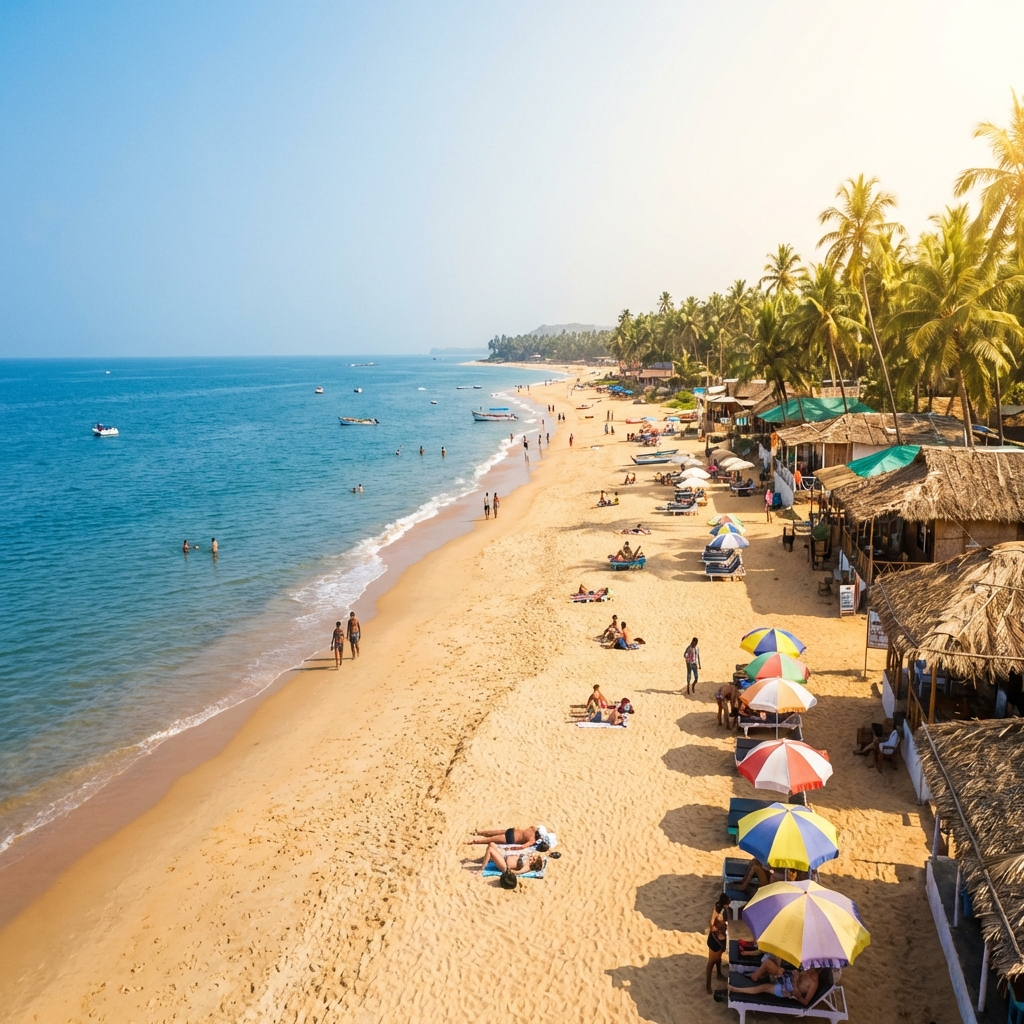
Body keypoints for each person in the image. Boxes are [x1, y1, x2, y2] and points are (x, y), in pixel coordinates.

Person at [729, 960, 819, 1006]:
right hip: (788, 978)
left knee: (763, 987)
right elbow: (798, 976)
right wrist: (795, 973)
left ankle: (735, 989)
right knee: (768, 963)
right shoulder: (808, 969)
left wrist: (795, 984)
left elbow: (805, 1002)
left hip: (788, 990)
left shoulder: (814, 982)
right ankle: (749, 974)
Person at [706, 893, 730, 993]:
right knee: (711, 962)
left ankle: (719, 974)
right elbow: (711, 924)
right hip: (715, 940)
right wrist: (717, 931)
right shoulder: (717, 910)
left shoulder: (725, 910)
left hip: (722, 939)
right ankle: (708, 985)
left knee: (719, 959)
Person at [476, 843, 544, 878]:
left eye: (535, 857)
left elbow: (519, 872)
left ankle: (482, 869)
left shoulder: (528, 867)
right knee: (491, 844)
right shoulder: (528, 857)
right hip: (504, 856)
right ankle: (481, 861)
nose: (533, 855)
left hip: (505, 865)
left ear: (534, 861)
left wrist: (509, 871)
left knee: (490, 850)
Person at [467, 826, 547, 849]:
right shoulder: (532, 840)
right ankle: (474, 841)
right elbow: (523, 846)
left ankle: (479, 832)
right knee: (490, 840)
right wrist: (512, 848)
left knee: (494, 832)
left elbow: (533, 826)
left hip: (513, 831)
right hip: (512, 838)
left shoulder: (533, 828)